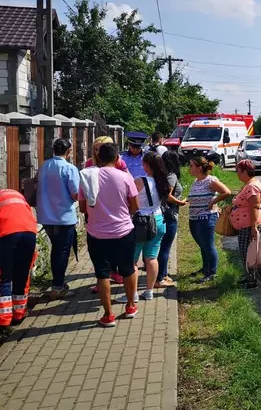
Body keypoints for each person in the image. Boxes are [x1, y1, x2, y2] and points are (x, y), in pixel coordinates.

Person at [78, 143, 139, 326]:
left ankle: (108, 315)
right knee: (128, 269)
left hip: (96, 233)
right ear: (116, 158)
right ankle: (130, 306)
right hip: (124, 231)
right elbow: (135, 206)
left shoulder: (87, 177)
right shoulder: (125, 177)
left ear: (98, 158)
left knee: (102, 274)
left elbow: (82, 208)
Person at [36, 138, 80, 299]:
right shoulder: (69, 168)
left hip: (46, 216)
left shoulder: (43, 166)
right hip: (63, 217)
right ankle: (58, 287)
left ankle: (57, 282)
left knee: (56, 250)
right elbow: (75, 194)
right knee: (61, 252)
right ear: (68, 152)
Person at [187, 157, 231, 283]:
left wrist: (213, 202)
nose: (189, 168)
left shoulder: (210, 180)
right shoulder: (196, 181)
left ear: (199, 168)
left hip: (206, 218)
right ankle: (205, 268)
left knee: (208, 245)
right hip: (194, 218)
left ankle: (212, 272)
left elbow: (226, 192)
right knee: (202, 245)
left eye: (191, 165)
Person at [133, 152, 170, 300]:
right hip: (158, 220)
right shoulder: (162, 181)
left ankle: (133, 293)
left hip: (141, 222)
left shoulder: (140, 181)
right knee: (151, 258)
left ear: (147, 165)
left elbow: (130, 201)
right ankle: (149, 291)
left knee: (133, 260)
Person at [0, 189, 38, 326]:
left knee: (4, 276)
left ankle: (4, 320)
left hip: (7, 233)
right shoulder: (16, 195)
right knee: (21, 274)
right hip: (29, 231)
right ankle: (18, 315)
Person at [232, 159, 261, 288]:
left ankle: (251, 281)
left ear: (245, 171)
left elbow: (255, 207)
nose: (237, 174)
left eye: (238, 171)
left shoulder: (252, 187)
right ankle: (248, 277)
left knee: (247, 253)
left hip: (249, 224)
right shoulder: (249, 184)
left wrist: (253, 227)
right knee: (245, 251)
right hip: (245, 224)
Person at [156, 151, 186, 288]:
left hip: (164, 214)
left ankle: (164, 274)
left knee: (162, 246)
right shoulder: (171, 176)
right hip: (169, 214)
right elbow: (167, 195)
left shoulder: (162, 174)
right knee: (165, 247)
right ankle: (160, 277)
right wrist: (180, 202)